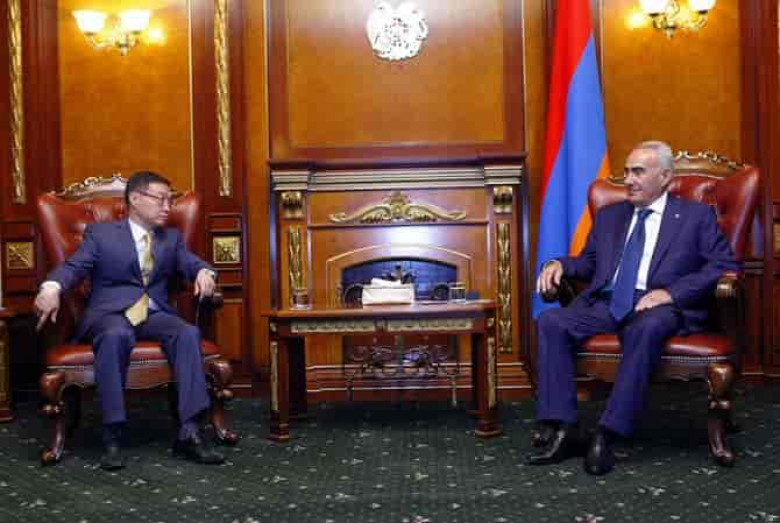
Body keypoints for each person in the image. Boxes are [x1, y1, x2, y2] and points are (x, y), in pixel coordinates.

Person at [529, 141, 739, 475]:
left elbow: (723, 266)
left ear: (665, 177)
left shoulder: (695, 216)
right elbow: (589, 263)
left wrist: (670, 294)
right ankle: (563, 427)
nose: (628, 180)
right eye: (627, 172)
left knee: (646, 327)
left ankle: (608, 432)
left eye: (638, 172)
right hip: (608, 302)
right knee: (551, 321)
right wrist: (559, 264)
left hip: (657, 306)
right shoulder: (611, 216)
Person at [34, 171, 225, 470]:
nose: (167, 207)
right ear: (135, 199)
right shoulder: (101, 234)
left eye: (170, 200)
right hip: (111, 314)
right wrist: (51, 287)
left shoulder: (171, 238)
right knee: (115, 335)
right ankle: (112, 433)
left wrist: (204, 272)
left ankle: (190, 433)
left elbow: (191, 263)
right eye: (160, 199)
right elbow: (74, 266)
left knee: (187, 333)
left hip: (154, 313)